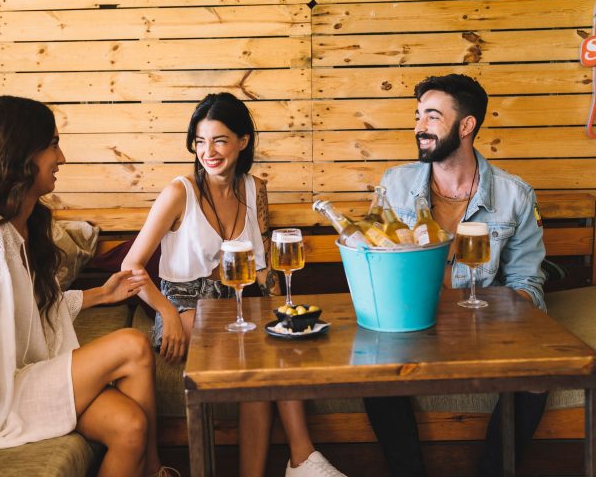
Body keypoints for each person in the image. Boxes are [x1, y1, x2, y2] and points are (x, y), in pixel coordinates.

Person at [0, 96, 178, 477]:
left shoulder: (16, 225)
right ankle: (156, 473)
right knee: (133, 346)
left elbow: (30, 309)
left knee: (130, 426)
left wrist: (103, 293)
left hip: (24, 379)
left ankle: (152, 470)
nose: (62, 158)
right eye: (53, 144)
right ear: (20, 153)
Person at [122, 92, 347, 477]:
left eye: (219, 140)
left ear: (243, 141)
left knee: (275, 348)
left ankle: (293, 461)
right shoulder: (179, 192)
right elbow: (131, 267)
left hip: (237, 299)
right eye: (200, 141)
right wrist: (166, 312)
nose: (208, 151)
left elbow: (262, 269)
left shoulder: (253, 189)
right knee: (258, 353)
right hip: (184, 304)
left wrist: (285, 313)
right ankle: (304, 459)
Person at [363, 74, 547, 477]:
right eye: (417, 116)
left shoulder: (515, 195)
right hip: (414, 322)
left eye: (432, 116)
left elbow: (527, 283)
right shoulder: (395, 185)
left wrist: (495, 315)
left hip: (485, 327)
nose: (419, 127)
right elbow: (374, 262)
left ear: (467, 126)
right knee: (374, 375)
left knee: (536, 381)